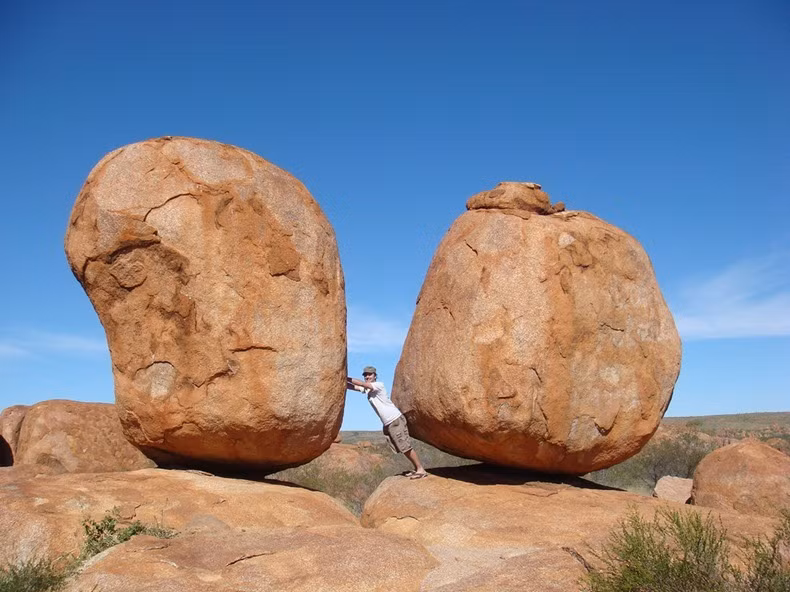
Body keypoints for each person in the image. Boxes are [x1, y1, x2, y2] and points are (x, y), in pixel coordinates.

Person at [346, 366, 428, 479]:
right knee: (401, 447)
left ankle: (420, 469)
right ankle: (417, 468)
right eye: (365, 375)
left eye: (370, 374)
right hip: (388, 423)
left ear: (375, 375)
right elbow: (355, 387)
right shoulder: (368, 389)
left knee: (405, 446)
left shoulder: (378, 385)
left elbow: (361, 384)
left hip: (395, 419)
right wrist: (342, 382)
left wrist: (346, 377)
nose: (367, 377)